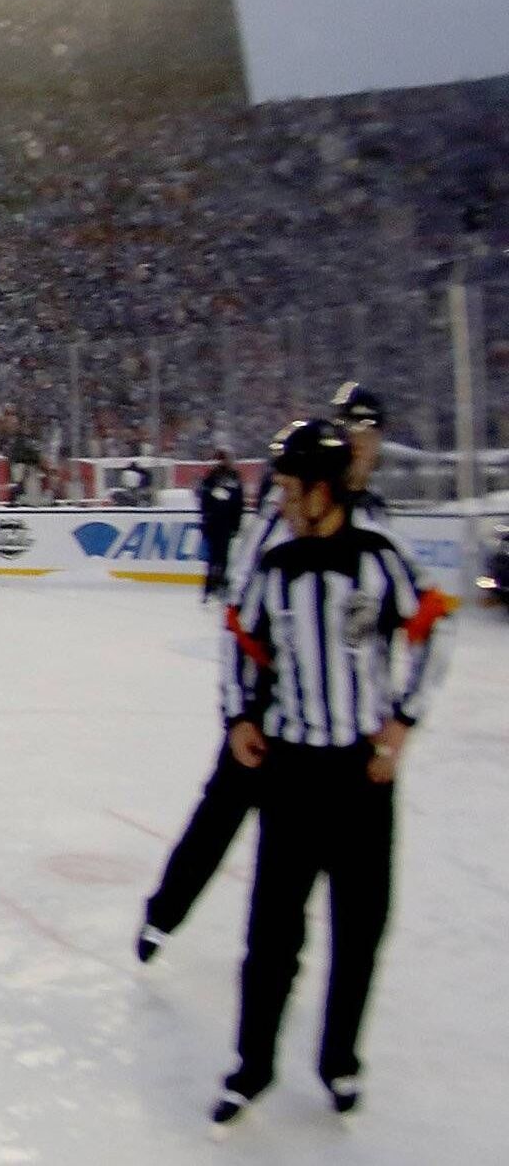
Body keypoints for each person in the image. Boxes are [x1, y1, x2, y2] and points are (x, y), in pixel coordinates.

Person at [207, 418, 454, 1129]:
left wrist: (404, 719)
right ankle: (251, 1065)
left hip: (360, 778)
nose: (281, 499)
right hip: (290, 771)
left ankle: (339, 1060)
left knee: (359, 928)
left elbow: (434, 623)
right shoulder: (274, 558)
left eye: (289, 487)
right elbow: (239, 637)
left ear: (323, 488)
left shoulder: (380, 554)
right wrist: (237, 718)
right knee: (272, 933)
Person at [140, 380, 396, 960]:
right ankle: (163, 913)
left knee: (310, 854)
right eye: (349, 430)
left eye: (368, 432)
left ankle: (291, 955)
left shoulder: (375, 522)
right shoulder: (289, 511)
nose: (359, 443)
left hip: (335, 731)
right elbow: (242, 614)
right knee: (222, 811)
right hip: (271, 708)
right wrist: (241, 709)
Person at [197, 450, 247, 600]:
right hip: (213, 523)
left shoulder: (234, 478)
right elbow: (204, 500)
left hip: (225, 524)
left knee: (223, 558)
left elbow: (238, 502)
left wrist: (236, 523)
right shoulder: (211, 478)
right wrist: (205, 519)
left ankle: (220, 586)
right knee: (213, 558)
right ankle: (210, 588)